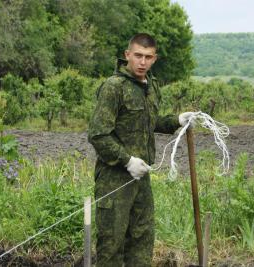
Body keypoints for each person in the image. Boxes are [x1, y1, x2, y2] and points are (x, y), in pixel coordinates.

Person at [88, 33, 195, 267]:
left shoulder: (151, 86)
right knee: (112, 244)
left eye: (148, 57)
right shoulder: (114, 87)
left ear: (154, 58)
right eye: (138, 56)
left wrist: (176, 120)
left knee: (142, 240)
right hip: (114, 178)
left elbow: (149, 122)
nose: (142, 62)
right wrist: (126, 161)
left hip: (142, 177)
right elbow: (98, 134)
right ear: (128, 55)